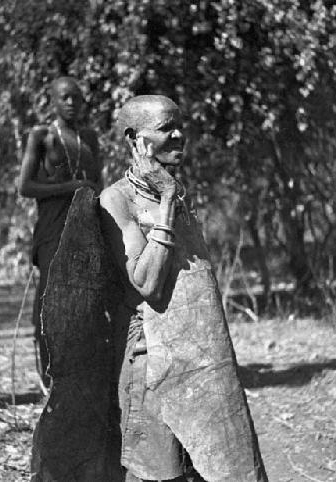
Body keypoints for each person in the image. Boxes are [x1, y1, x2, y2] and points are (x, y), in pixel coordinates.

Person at [100, 95, 267, 482]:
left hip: (199, 360)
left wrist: (171, 195)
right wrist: (168, 201)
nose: (178, 136)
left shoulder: (174, 189)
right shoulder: (116, 199)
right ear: (134, 140)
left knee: (210, 469)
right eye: (164, 129)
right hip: (151, 363)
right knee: (161, 475)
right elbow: (148, 286)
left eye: (179, 126)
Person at [18, 76, 102, 388]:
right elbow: (25, 187)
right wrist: (71, 187)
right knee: (50, 297)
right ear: (52, 101)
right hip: (53, 228)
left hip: (85, 226)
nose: (71, 103)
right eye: (64, 97)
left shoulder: (89, 137)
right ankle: (50, 378)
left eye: (76, 98)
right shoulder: (41, 135)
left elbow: (99, 183)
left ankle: (79, 375)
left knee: (86, 299)